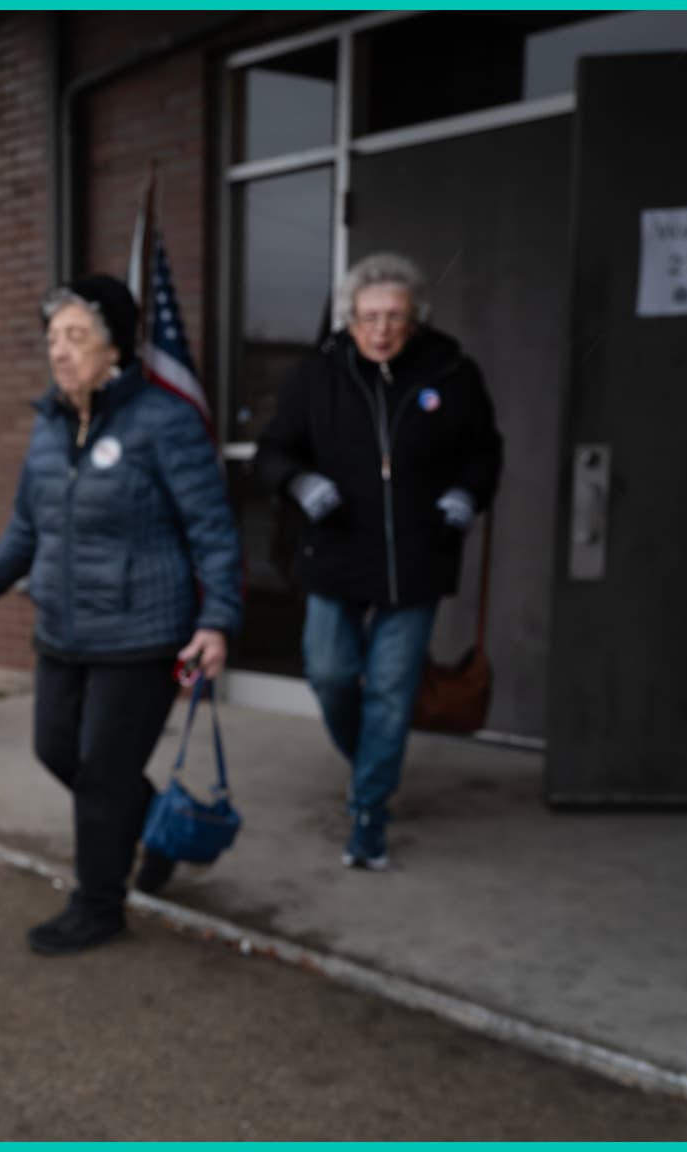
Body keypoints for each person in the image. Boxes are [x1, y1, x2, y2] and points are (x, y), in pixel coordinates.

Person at [0, 274, 242, 955]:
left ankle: (98, 905)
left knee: (103, 775)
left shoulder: (165, 421)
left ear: (114, 347)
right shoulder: (50, 423)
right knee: (57, 750)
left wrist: (218, 619)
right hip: (63, 627)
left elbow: (211, 527)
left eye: (77, 336)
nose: (59, 351)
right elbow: (28, 526)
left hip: (141, 631)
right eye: (54, 337)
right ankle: (158, 829)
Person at [253, 252, 502, 871]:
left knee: (391, 689)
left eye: (395, 316)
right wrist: (300, 482)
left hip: (417, 557)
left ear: (416, 318)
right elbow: (272, 452)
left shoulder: (452, 373)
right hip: (335, 551)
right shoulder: (317, 375)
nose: (382, 329)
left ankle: (368, 810)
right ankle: (371, 764)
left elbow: (484, 451)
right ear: (350, 319)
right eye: (369, 317)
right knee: (330, 674)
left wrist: (466, 494)